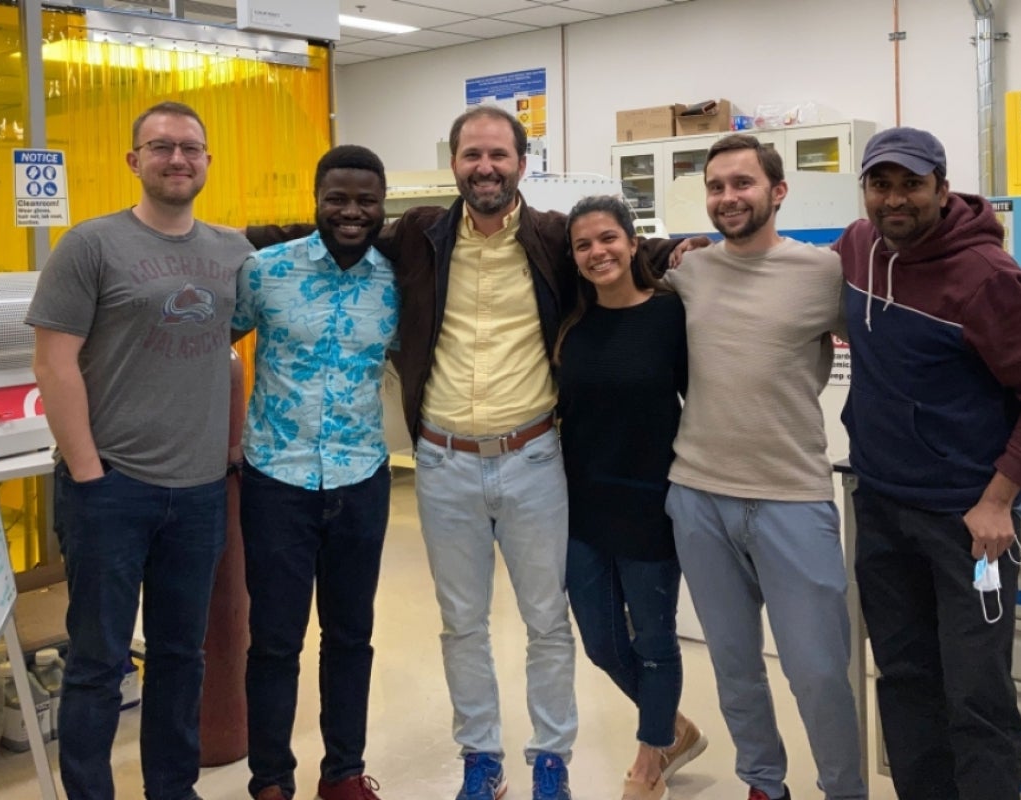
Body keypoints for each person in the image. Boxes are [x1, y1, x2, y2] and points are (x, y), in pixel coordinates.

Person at [246, 106, 693, 800]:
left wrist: (685, 252)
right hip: (445, 461)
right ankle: (481, 760)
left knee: (547, 621)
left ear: (522, 162)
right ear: (454, 163)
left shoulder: (550, 236)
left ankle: (552, 761)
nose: (485, 167)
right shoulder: (421, 234)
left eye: (499, 155)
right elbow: (330, 226)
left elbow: (623, 251)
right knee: (462, 624)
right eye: (471, 155)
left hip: (534, 456)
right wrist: (218, 243)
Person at [834, 127, 1021, 800]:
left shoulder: (986, 278)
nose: (894, 199)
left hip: (967, 523)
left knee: (976, 696)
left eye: (911, 183)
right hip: (881, 506)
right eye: (880, 184)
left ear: (942, 188)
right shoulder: (858, 247)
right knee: (906, 682)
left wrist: (998, 499)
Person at [26, 101, 253, 800]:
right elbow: (53, 363)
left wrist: (231, 449)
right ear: (134, 161)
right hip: (111, 490)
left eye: (190, 147)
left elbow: (232, 354)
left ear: (209, 161)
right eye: (160, 147)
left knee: (182, 657)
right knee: (97, 661)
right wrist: (90, 474)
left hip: (198, 494)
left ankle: (171, 789)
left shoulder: (232, 251)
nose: (177, 158)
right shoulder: (89, 245)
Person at [663, 134, 866, 800]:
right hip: (698, 495)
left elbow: (886, 349)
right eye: (716, 186)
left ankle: (843, 789)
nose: (728, 197)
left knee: (818, 671)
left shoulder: (822, 272)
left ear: (777, 192)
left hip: (791, 496)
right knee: (734, 665)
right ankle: (762, 783)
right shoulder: (688, 272)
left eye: (742, 184)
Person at [232, 145, 397, 800]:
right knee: (274, 640)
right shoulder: (264, 271)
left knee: (351, 635)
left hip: (362, 479)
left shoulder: (395, 281)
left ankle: (344, 774)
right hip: (278, 480)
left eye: (365, 200)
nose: (351, 212)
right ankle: (271, 780)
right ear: (316, 199)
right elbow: (213, 345)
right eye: (338, 198)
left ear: (382, 205)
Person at [554, 195, 705, 800]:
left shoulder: (672, 316)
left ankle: (650, 761)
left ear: (633, 242)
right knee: (600, 642)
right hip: (582, 504)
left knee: (653, 638)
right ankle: (673, 727)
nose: (598, 252)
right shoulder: (570, 321)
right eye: (584, 244)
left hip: (651, 503)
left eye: (608, 239)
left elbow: (701, 401)